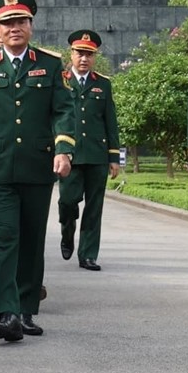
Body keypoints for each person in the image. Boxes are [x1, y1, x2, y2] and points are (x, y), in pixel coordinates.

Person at [0, 0, 74, 341]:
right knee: (5, 236)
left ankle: (26, 310)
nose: (14, 28)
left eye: (20, 21)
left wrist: (64, 148)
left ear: (31, 25)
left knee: (31, 239)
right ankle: (6, 311)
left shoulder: (50, 64)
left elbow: (64, 110)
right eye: (6, 23)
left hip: (38, 168)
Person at [58, 30, 121, 271]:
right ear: (71, 54)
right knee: (67, 202)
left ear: (94, 57)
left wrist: (113, 157)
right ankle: (67, 231)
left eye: (89, 54)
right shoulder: (61, 80)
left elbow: (110, 122)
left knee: (94, 207)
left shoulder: (102, 84)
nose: (84, 59)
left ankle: (88, 254)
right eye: (80, 53)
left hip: (96, 154)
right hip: (70, 156)